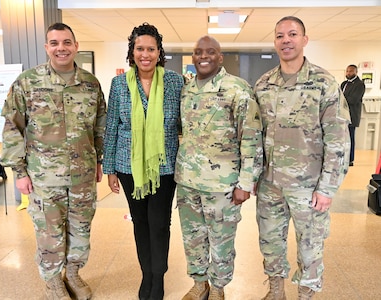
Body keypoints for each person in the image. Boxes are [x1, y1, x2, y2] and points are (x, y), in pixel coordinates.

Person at [0, 22, 106, 300]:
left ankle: (72, 273)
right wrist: (19, 171)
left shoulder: (90, 84)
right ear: (47, 47)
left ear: (76, 46)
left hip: (82, 176)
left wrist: (98, 161)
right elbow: (12, 128)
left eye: (67, 42)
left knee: (81, 231)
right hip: (44, 177)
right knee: (50, 234)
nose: (61, 48)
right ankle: (53, 281)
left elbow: (99, 127)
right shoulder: (27, 82)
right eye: (55, 43)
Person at [253, 16, 350, 299]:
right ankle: (275, 292)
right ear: (275, 42)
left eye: (292, 34)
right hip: (270, 186)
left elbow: (338, 139)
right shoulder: (263, 84)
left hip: (309, 187)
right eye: (280, 35)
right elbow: (254, 135)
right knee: (270, 242)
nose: (286, 40)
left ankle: (305, 295)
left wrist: (327, 188)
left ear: (304, 40)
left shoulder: (323, 83)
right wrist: (255, 175)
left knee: (310, 247)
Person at [175, 35, 263, 300]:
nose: (204, 56)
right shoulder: (187, 89)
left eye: (210, 51)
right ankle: (199, 283)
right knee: (193, 239)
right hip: (188, 181)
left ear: (220, 57)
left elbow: (251, 137)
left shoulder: (237, 88)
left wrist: (245, 183)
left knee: (221, 242)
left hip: (223, 185)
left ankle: (218, 288)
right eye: (198, 51)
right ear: (193, 56)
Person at [102, 23, 183, 300]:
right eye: (140, 48)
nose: (145, 54)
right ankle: (146, 274)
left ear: (159, 52)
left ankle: (158, 277)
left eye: (151, 49)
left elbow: (184, 124)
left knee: (159, 223)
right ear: (132, 52)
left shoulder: (175, 82)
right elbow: (112, 125)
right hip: (128, 165)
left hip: (165, 166)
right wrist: (109, 168)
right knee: (140, 222)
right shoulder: (119, 84)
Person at [341, 64, 365, 167]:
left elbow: (353, 99)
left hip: (352, 115)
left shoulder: (360, 84)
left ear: (356, 72)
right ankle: (342, 157)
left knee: (350, 137)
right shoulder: (343, 84)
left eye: (351, 71)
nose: (348, 73)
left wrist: (342, 99)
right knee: (342, 138)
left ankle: (350, 159)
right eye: (347, 71)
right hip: (341, 115)